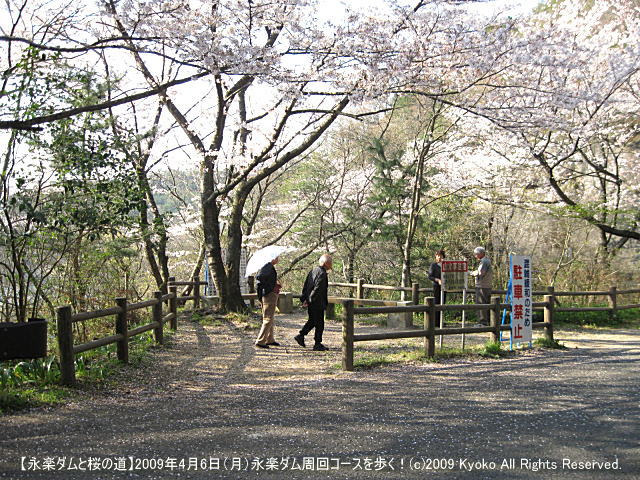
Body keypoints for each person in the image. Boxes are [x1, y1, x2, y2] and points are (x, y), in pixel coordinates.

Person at [295, 254, 332, 351]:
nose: (331, 264)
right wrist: (309, 300)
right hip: (317, 302)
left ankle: (301, 335)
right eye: (330, 262)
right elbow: (317, 289)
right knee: (319, 324)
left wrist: (305, 298)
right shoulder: (322, 274)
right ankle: (317, 344)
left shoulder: (313, 271)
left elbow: (306, 286)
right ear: (326, 263)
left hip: (311, 301)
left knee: (312, 321)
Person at [254, 256, 281, 348]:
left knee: (270, 317)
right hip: (269, 294)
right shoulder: (267, 266)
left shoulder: (268, 266)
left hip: (269, 294)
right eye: (277, 257)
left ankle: (270, 339)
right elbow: (260, 277)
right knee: (268, 318)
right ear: (272, 258)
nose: (278, 259)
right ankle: (260, 341)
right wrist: (270, 286)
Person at [470, 246, 493, 325]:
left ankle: (482, 322)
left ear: (481, 254)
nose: (475, 256)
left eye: (476, 254)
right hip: (487, 285)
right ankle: (488, 322)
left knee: (481, 304)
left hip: (482, 286)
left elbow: (480, 273)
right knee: (486, 304)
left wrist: (471, 273)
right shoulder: (487, 261)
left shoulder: (484, 262)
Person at [427, 249, 446, 325]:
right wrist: (437, 280)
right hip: (436, 287)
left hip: (445, 287)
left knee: (443, 303)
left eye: (440, 256)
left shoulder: (446, 265)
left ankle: (441, 321)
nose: (439, 257)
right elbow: (430, 276)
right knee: (436, 302)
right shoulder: (433, 265)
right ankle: (435, 322)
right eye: (438, 256)